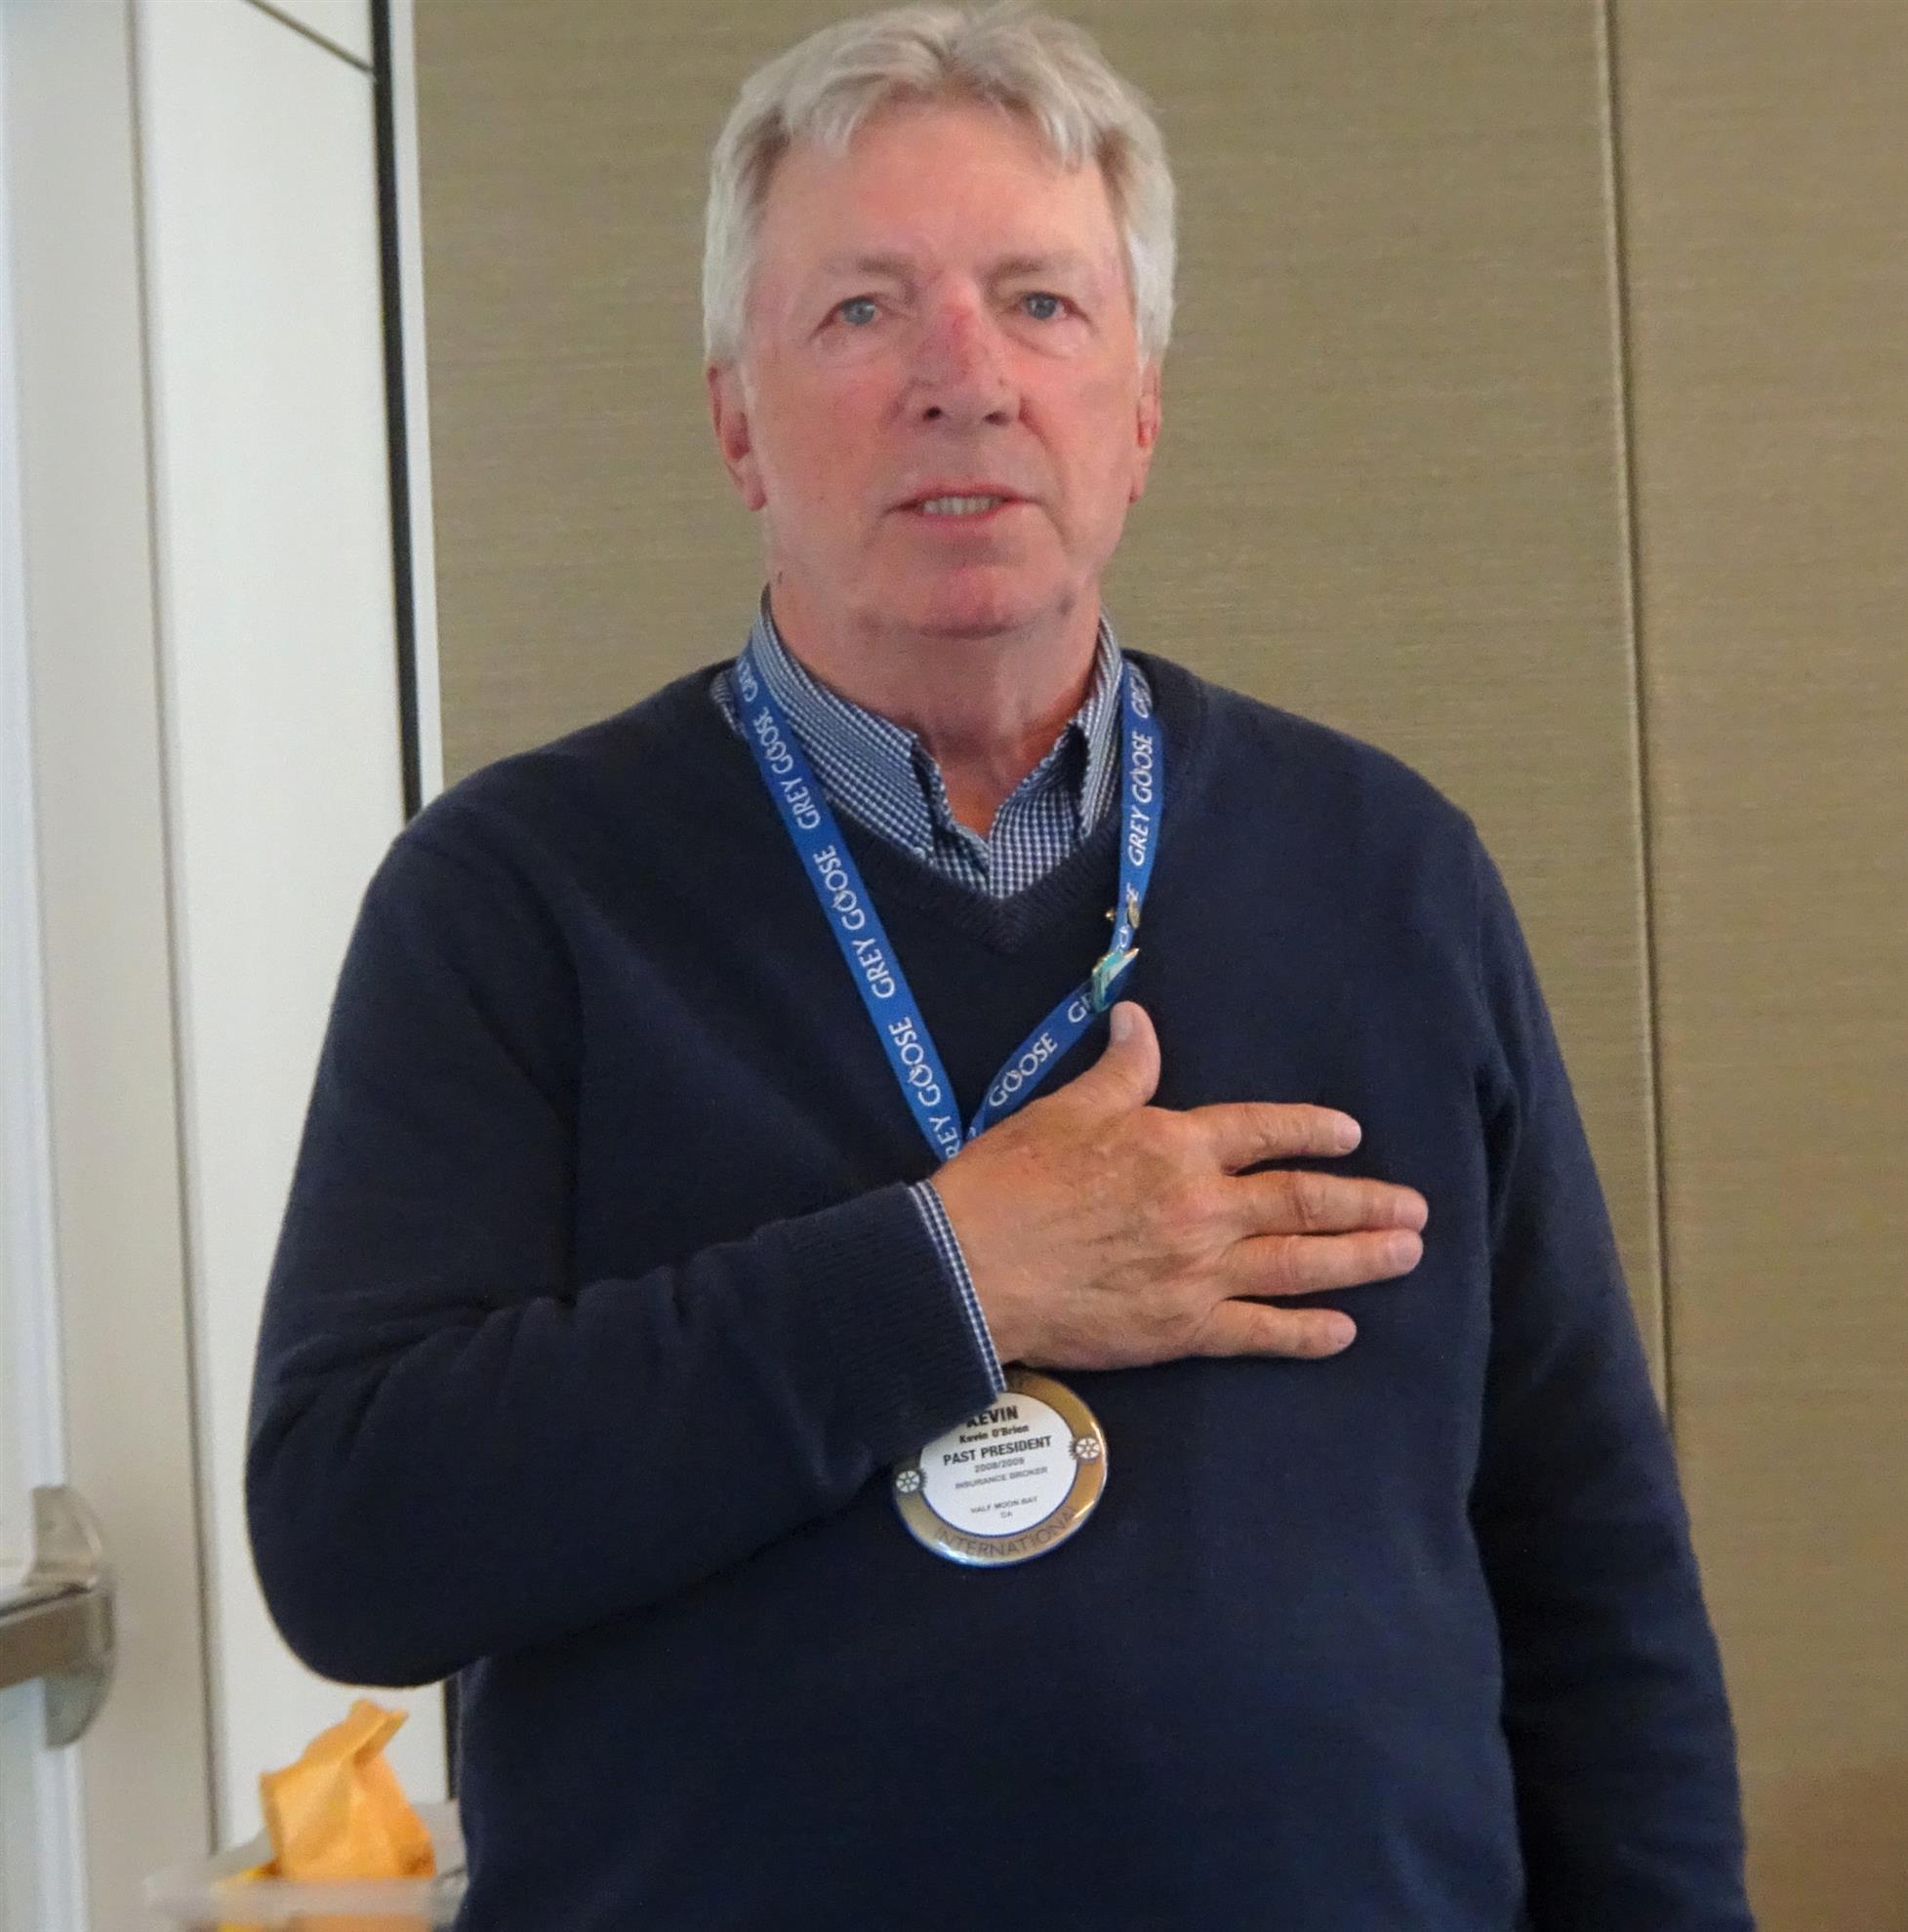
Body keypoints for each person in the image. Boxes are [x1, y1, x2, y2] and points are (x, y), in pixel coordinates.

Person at [247, 7, 1753, 1927]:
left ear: (1141, 413)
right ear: (735, 420)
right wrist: (950, 1279)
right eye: (863, 310)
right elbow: (356, 1532)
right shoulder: (512, 899)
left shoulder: (1394, 872)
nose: (964, 380)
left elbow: (1592, 1575)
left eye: (1040, 304)